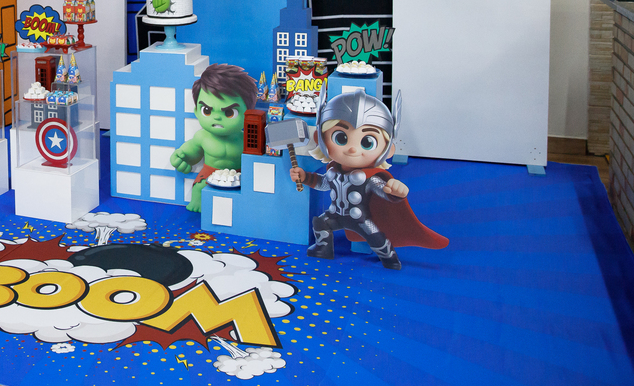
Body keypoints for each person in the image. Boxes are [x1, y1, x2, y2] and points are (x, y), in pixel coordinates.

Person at [290, 90, 447, 270]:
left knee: (376, 237)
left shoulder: (368, 178)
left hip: (360, 218)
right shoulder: (333, 171)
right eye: (340, 138)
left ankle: (389, 258)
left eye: (367, 142)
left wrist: (394, 192)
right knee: (320, 222)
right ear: (320, 139)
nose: (352, 149)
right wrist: (305, 177)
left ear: (388, 150)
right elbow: (324, 183)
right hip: (335, 215)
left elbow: (382, 189)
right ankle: (323, 248)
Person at [171, 64, 258, 212]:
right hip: (209, 175)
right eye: (207, 111)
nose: (217, 118)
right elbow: (191, 153)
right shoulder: (202, 137)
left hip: (239, 176)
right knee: (199, 189)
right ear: (196, 111)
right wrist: (181, 159)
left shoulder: (245, 138)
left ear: (248, 113)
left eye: (229, 113)